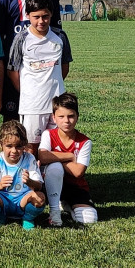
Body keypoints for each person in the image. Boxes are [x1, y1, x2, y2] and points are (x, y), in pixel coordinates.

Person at [0, 0, 72, 123]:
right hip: (15, 72)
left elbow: (56, 38)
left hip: (43, 77)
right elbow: (0, 37)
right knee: (13, 126)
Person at [7, 0, 67, 152]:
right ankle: (32, 176)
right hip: (32, 105)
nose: (41, 21)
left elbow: (64, 66)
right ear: (28, 16)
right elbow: (12, 70)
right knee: (31, 147)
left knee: (57, 146)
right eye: (36, 17)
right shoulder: (21, 39)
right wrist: (28, 91)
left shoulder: (60, 37)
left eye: (45, 16)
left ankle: (54, 176)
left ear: (51, 15)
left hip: (57, 104)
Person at [36, 93, 98, 227]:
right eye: (61, 116)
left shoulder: (85, 141)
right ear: (54, 118)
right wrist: (69, 155)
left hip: (75, 186)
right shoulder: (48, 134)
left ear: (77, 117)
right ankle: (54, 211)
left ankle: (65, 204)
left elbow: (78, 172)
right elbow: (43, 156)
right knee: (55, 167)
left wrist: (54, 157)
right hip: (49, 184)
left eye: (71, 116)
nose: (66, 121)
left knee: (89, 219)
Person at [0, 120, 46, 230]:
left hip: (23, 200)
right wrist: (0, 185)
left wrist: (29, 181)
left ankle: (28, 218)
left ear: (24, 145)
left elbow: (39, 186)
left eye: (18, 146)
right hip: (3, 200)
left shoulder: (29, 158)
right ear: (1, 145)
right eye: (9, 146)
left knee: (40, 198)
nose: (14, 150)